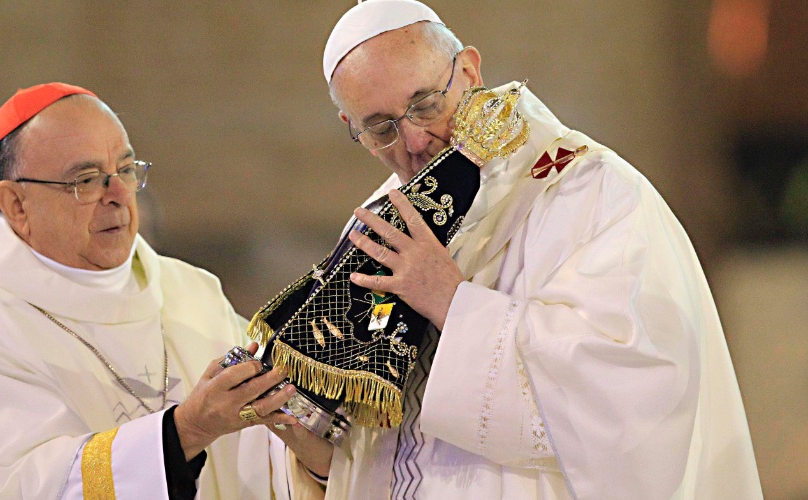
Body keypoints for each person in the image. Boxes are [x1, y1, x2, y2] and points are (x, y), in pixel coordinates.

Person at [283, 1, 763, 498]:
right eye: (381, 128)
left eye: (425, 103)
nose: (415, 140)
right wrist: (317, 458)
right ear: (351, 126)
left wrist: (453, 303)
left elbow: (636, 394)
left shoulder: (592, 192)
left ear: (468, 70)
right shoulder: (376, 225)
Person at [0, 82, 322, 499]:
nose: (119, 195)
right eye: (86, 180)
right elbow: (13, 488)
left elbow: (265, 458)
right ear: (16, 205)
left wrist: (311, 446)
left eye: (125, 170)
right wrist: (183, 432)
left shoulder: (191, 293)